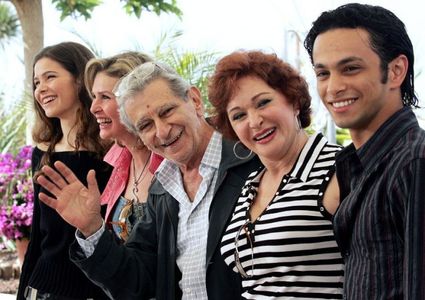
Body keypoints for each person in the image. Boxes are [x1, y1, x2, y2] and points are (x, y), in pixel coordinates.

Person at [34, 61, 261, 299]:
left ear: (194, 100)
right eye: (146, 125)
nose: (162, 131)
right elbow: (138, 281)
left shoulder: (252, 159)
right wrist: (92, 229)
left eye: (166, 111)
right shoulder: (162, 186)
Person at [304, 3, 425, 299]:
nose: (333, 87)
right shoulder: (355, 166)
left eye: (350, 69)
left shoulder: (414, 162)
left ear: (396, 71)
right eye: (323, 73)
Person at [208, 50, 344, 299]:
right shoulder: (251, 184)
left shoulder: (338, 167)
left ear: (293, 101)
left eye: (263, 103)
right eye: (238, 115)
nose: (254, 121)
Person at [17, 42, 112, 300]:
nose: (41, 88)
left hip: (96, 289)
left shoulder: (112, 150)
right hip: (42, 288)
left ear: (80, 80)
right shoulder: (42, 152)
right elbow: (38, 236)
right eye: (37, 82)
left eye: (50, 77)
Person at [85, 52, 163, 242]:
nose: (93, 107)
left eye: (105, 97)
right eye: (94, 96)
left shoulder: (172, 160)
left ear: (135, 100)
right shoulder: (119, 163)